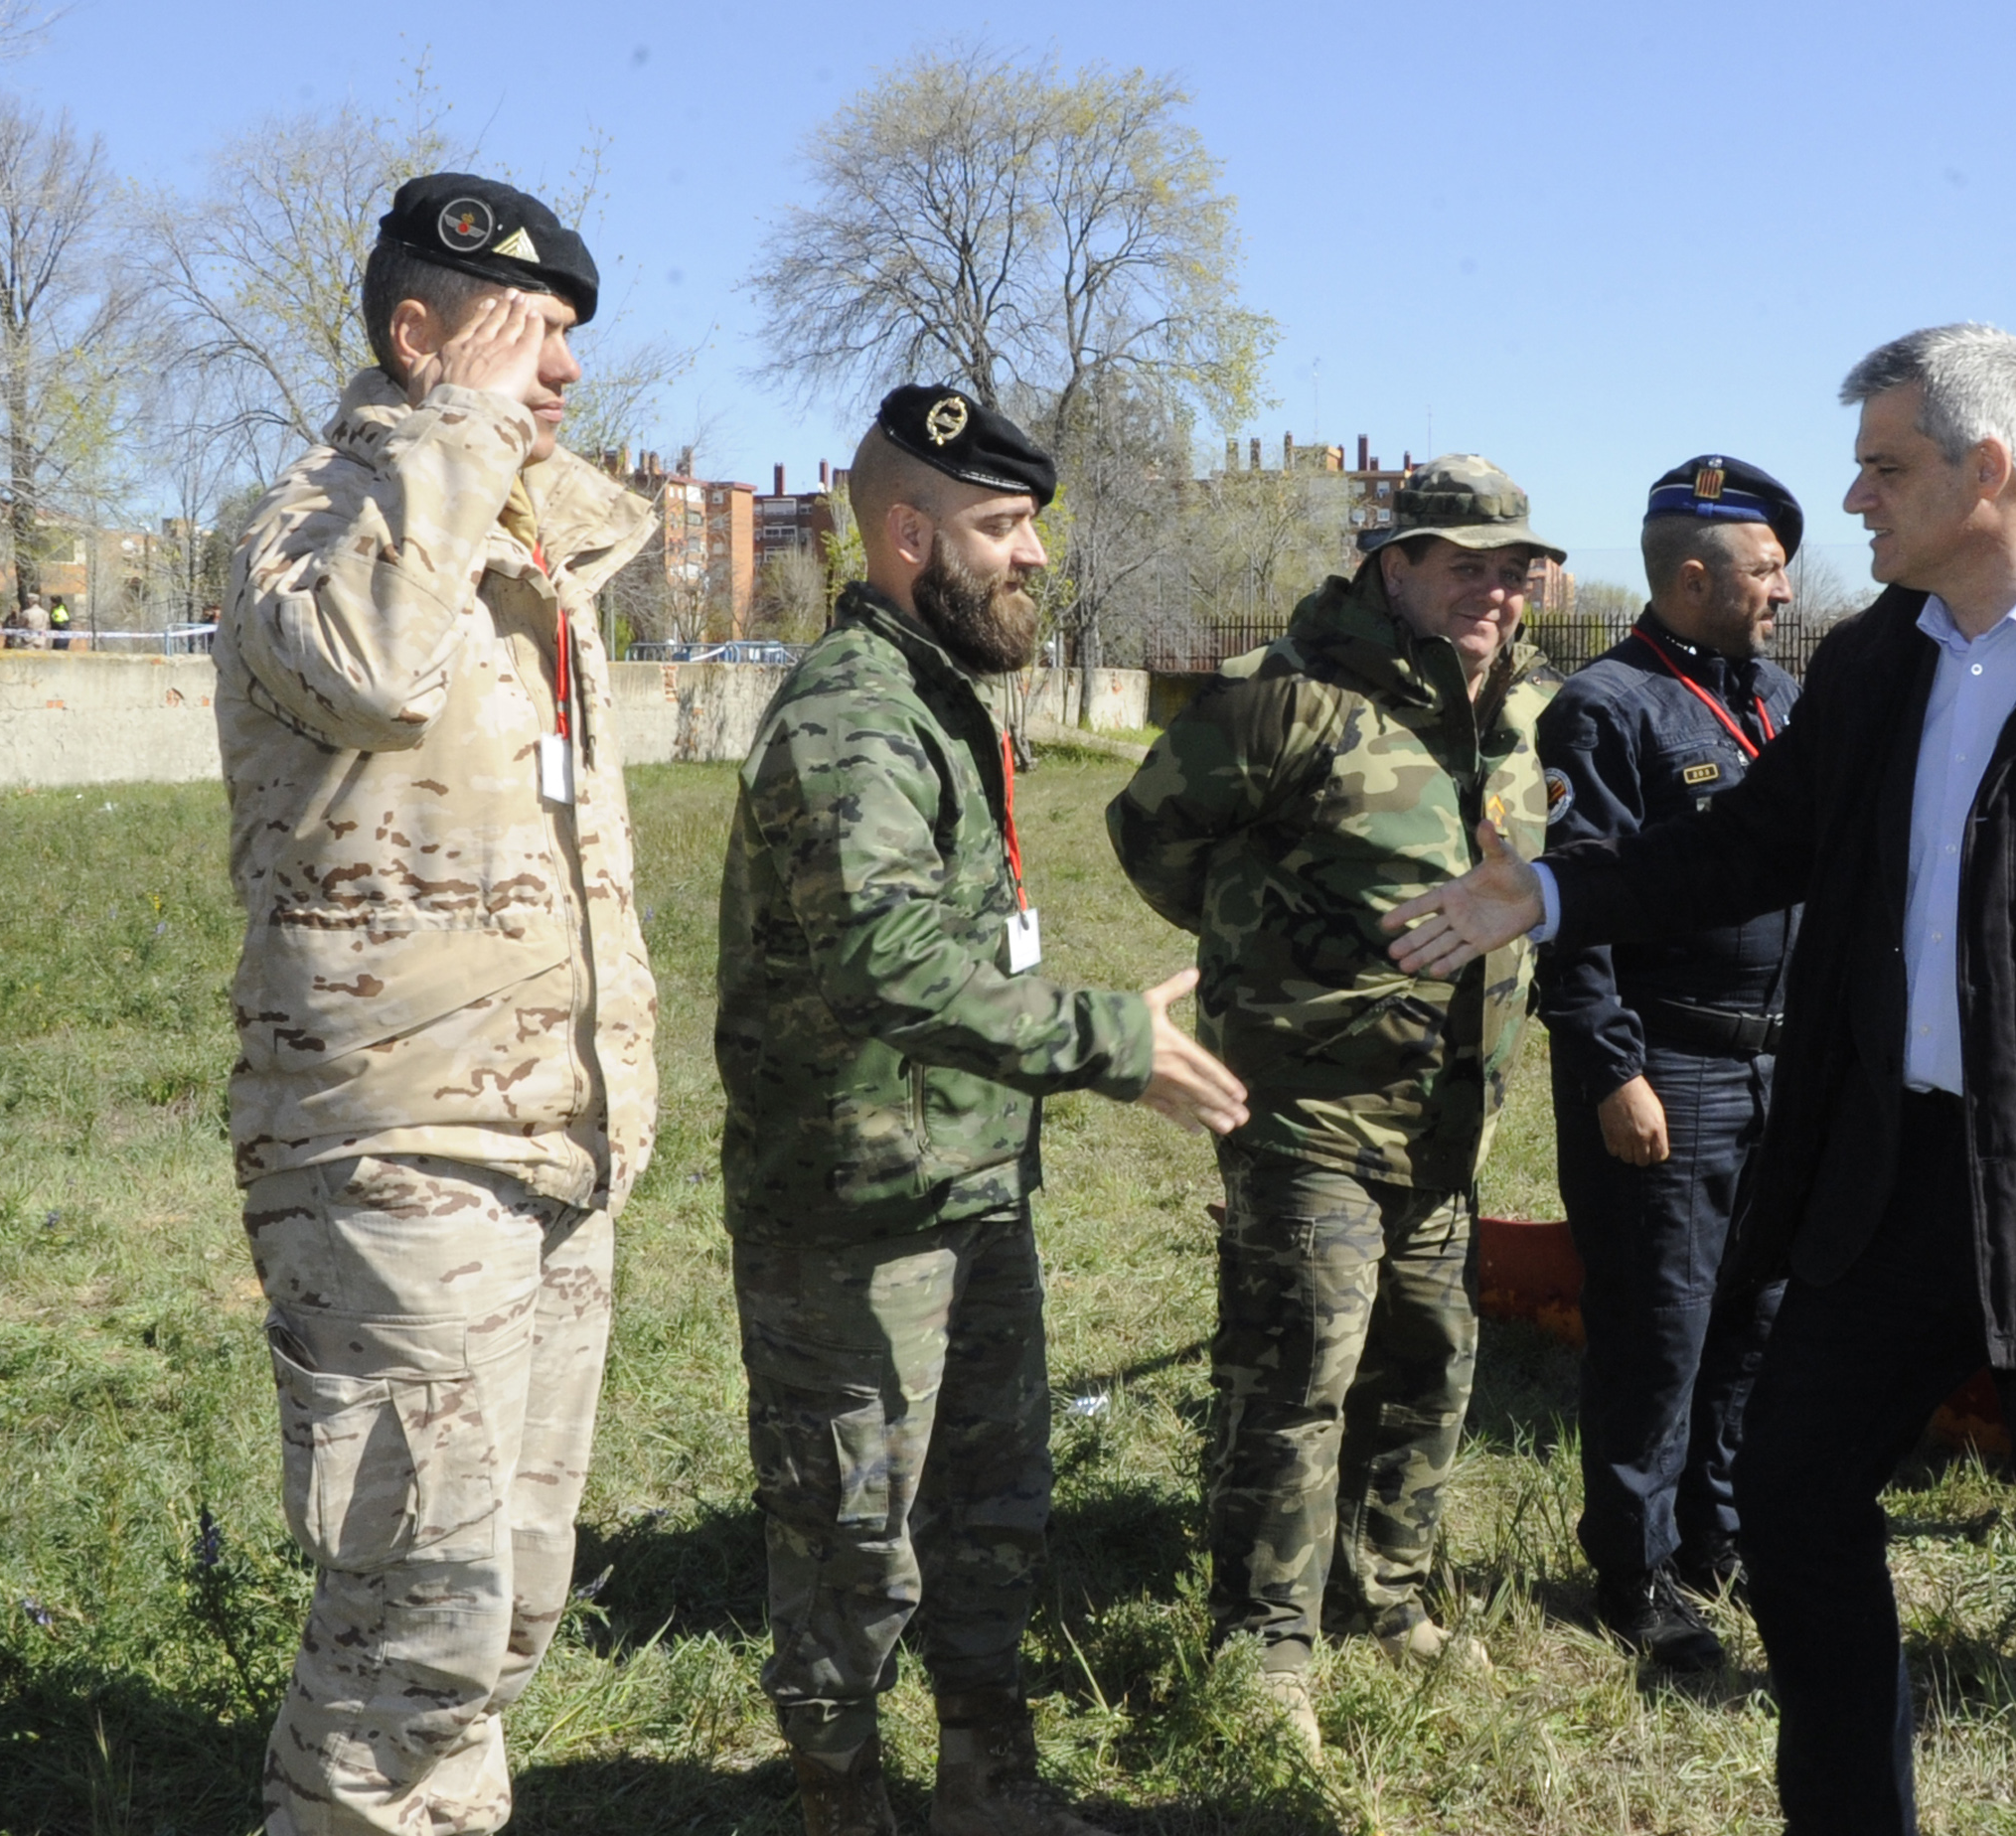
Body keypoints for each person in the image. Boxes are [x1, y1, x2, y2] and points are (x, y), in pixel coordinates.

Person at [1383, 323, 2016, 1834]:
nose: (1854, 500)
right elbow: (1751, 846)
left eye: (1884, 468)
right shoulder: (1878, 661)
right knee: (1791, 1496)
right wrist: (1552, 895)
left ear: (1987, 467)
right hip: (1890, 1181)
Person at [717, 382, 1249, 1836]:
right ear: (909, 537)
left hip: (967, 1184)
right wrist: (1109, 1041)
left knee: (990, 1514)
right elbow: (885, 957)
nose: (1035, 555)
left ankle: (987, 1790)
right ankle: (844, 1810)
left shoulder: (943, 698)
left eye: (1031, 526)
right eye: (1002, 526)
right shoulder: (851, 714)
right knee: (848, 1546)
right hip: (855, 1216)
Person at [216, 175, 656, 1835]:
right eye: (531, 332)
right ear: (420, 336)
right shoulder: (316, 523)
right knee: (416, 1616)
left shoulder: (519, 552)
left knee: (510, 1600)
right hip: (390, 1146)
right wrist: (458, 431)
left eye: (569, 338)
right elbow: (371, 666)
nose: (565, 369)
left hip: (551, 1137)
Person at [1104, 455, 1564, 1758]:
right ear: (1393, 566)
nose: (1494, 592)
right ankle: (1261, 1651)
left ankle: (1385, 1596)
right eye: (1464, 565)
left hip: (1449, 1120)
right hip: (1308, 1109)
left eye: (1512, 570)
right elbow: (1152, 839)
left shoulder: (1526, 710)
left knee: (1430, 1358)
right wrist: (1270, 948)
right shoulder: (1285, 695)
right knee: (1297, 1370)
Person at [1535, 454, 1803, 1673]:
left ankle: (1714, 1539)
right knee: (1658, 1330)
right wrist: (1611, 1070)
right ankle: (1632, 1573)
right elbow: (1574, 905)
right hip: (1669, 1065)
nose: (1784, 592)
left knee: (1751, 1319)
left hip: (1777, 1065)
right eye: (1766, 571)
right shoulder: (1606, 708)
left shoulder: (1783, 700)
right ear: (1695, 577)